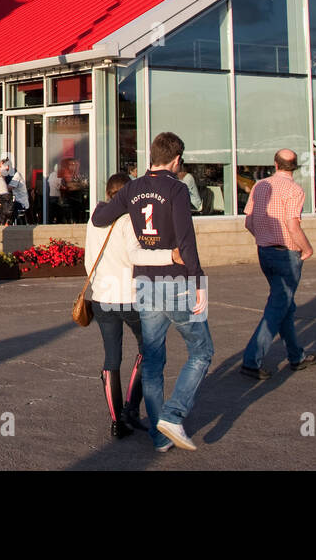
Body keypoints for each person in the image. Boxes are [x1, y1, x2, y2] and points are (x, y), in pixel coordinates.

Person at [91, 131, 212, 453]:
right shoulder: (176, 188)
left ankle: (160, 437)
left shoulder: (132, 187)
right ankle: (172, 415)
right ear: (176, 159)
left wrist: (125, 207)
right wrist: (199, 281)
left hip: (144, 283)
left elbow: (100, 217)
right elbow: (186, 241)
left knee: (155, 360)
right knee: (201, 351)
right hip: (175, 282)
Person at [86, 173, 178, 438]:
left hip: (102, 296)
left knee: (111, 359)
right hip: (129, 295)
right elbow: (135, 256)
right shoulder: (128, 221)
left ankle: (117, 422)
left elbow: (89, 258)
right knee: (148, 351)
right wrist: (170, 256)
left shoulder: (94, 220)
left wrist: (98, 281)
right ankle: (131, 409)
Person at [240, 149, 316, 379]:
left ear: (275, 164)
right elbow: (292, 225)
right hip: (286, 254)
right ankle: (251, 360)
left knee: (285, 305)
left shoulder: (260, 185)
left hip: (265, 251)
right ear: (294, 166)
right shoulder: (295, 190)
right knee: (277, 307)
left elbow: (249, 221)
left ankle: (296, 356)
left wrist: (263, 237)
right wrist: (307, 248)